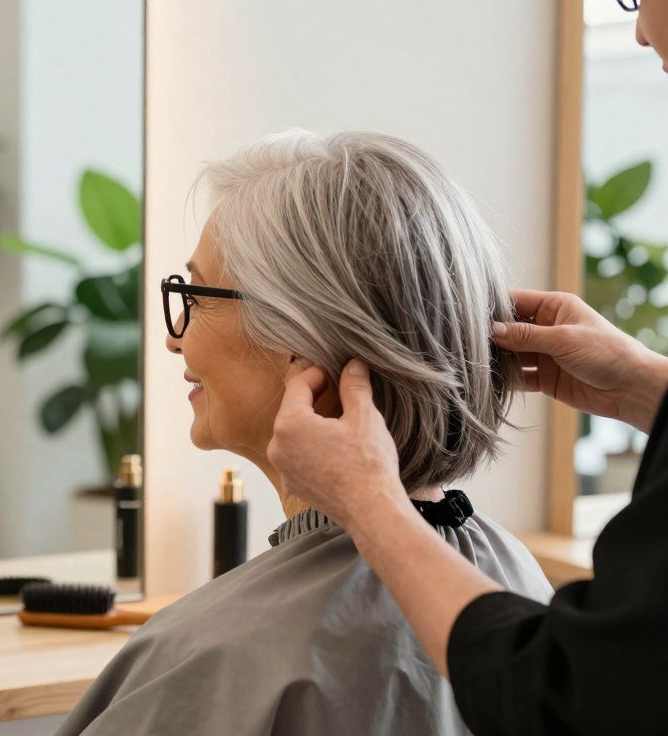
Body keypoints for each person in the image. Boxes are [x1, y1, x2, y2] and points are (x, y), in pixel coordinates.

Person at [56, 130, 552, 736]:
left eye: (197, 295)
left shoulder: (213, 655)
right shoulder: (517, 583)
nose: (174, 334)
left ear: (303, 343)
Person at [268, 2, 668, 734]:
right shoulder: (508, 564)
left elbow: (578, 700)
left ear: (306, 347)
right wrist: (651, 388)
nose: (639, 28)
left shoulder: (211, 644)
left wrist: (374, 507)